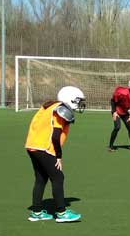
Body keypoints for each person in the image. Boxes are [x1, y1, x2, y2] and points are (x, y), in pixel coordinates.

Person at [25, 86, 86, 223]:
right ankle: (61, 212)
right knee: (58, 177)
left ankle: (36, 212)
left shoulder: (50, 106)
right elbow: (55, 136)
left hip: (32, 146)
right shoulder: (60, 110)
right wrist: (58, 156)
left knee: (40, 178)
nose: (79, 104)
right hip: (45, 148)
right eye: (77, 100)